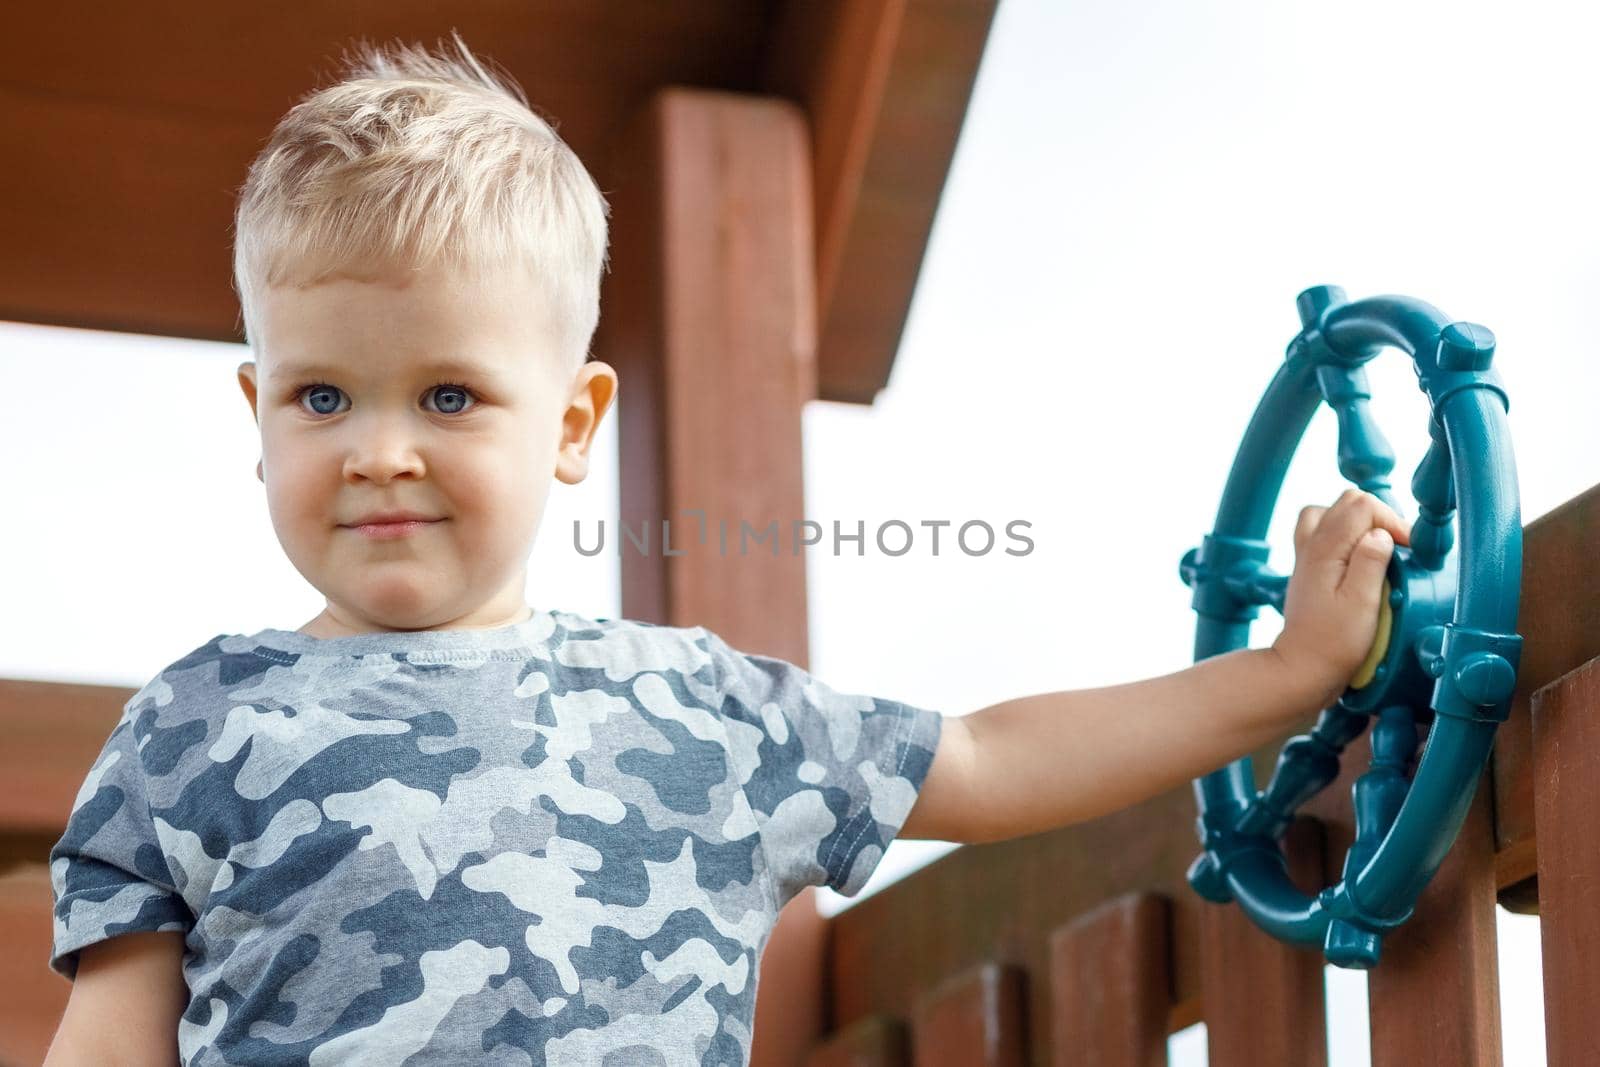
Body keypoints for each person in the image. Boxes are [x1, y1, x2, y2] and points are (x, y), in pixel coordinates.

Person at [41, 31, 1409, 1067]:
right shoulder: (193, 726)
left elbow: (989, 760)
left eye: (448, 396)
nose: (379, 449)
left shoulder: (699, 710)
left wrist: (1285, 676)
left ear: (573, 424)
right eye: (322, 397)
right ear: (258, 414)